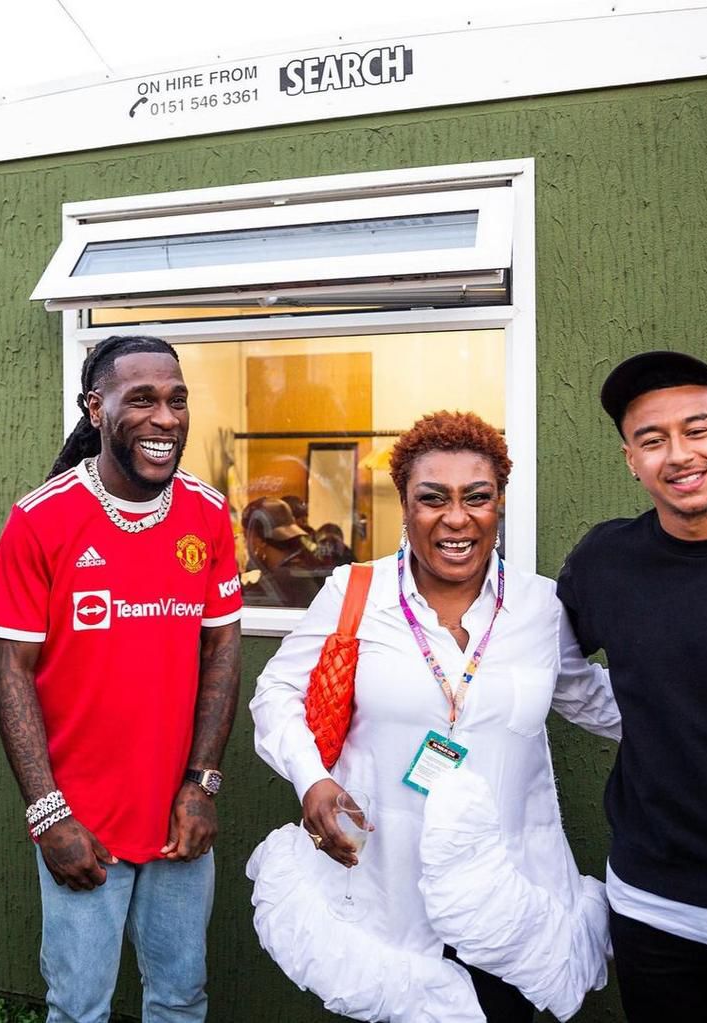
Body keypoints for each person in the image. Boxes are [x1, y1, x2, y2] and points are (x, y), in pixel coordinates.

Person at [247, 410, 621, 1023]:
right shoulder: (355, 593)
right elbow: (275, 693)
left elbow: (588, 697)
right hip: (388, 892)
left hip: (508, 893)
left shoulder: (541, 606)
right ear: (404, 506)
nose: (456, 518)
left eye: (478, 497)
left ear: (499, 504)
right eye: (432, 499)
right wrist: (311, 778)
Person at [0, 335, 242, 1023]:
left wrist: (202, 783)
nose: (166, 417)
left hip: (179, 823)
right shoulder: (40, 520)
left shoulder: (209, 514)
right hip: (81, 825)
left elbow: (221, 652)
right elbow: (9, 669)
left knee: (181, 998)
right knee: (78, 1008)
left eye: (178, 399)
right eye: (143, 399)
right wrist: (48, 813)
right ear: (95, 408)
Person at [557, 351, 707, 1023]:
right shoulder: (606, 560)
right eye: (652, 440)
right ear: (629, 459)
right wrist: (640, 715)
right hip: (655, 904)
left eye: (696, 429)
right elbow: (549, 661)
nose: (678, 454)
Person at [241, 496, 326, 607]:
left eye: (246, 537)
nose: (245, 544)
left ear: (260, 541)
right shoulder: (303, 565)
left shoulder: (284, 578)